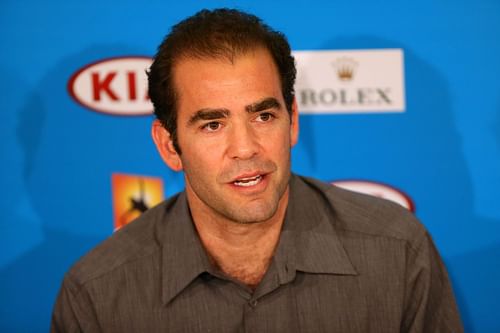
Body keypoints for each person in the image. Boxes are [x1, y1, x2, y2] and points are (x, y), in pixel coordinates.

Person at [51, 8, 463, 332]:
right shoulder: (98, 294)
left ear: (293, 121)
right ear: (169, 145)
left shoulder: (397, 252)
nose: (246, 148)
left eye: (263, 116)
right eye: (212, 124)